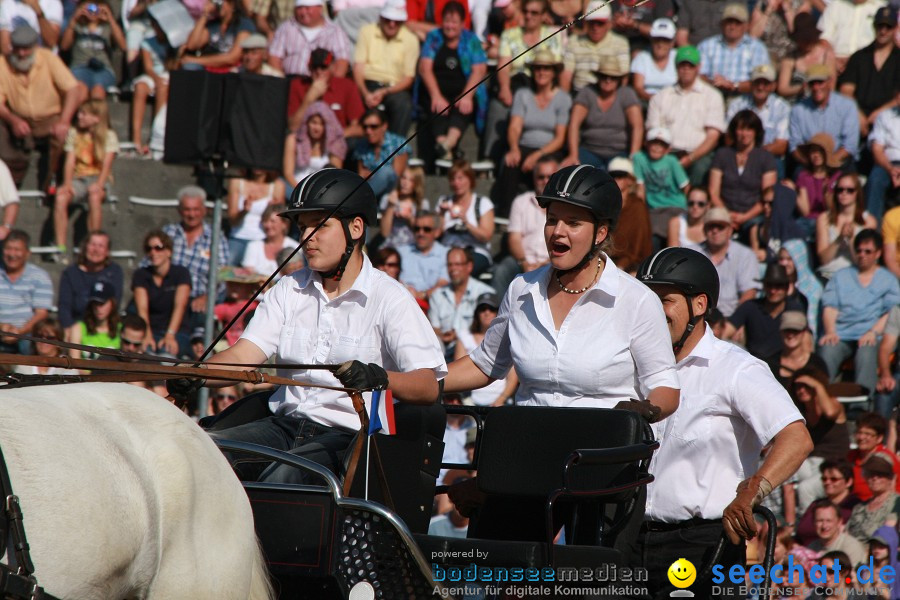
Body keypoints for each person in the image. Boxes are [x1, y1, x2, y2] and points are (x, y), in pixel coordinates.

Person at [171, 169, 447, 484]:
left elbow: (429, 386)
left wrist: (381, 378)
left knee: (283, 477)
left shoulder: (392, 299)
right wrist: (195, 374)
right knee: (203, 453)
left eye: (320, 225)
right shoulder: (288, 290)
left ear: (355, 228)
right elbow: (242, 356)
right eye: (303, 227)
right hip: (282, 425)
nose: (306, 237)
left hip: (348, 438)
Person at [635, 246, 812, 599]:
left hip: (702, 545)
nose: (652, 313)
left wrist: (754, 489)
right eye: (646, 301)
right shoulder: (631, 365)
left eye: (664, 301)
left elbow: (796, 437)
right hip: (629, 539)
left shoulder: (736, 368)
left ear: (699, 305)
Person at [445, 165, 680, 416]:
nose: (557, 232)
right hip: (530, 445)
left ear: (601, 233)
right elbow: (484, 365)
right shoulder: (521, 289)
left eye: (573, 223)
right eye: (552, 220)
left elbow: (664, 385)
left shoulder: (637, 299)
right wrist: (420, 382)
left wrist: (640, 413)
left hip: (601, 448)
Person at [818, 229, 900, 394]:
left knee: (867, 350)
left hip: (870, 334)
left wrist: (873, 332)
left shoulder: (888, 280)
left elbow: (890, 313)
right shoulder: (841, 276)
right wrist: (830, 331)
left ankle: (862, 403)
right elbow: (830, 307)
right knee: (827, 349)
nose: (862, 255)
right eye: (859, 251)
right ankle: (822, 397)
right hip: (841, 333)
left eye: (868, 251)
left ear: (878, 253)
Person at [0, 25, 80, 192]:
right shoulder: (2, 63)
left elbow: (73, 89)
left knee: (65, 138)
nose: (21, 54)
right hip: (20, 120)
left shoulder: (49, 58)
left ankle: (52, 184)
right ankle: (10, 185)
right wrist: (13, 120)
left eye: (26, 49)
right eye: (18, 49)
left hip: (52, 118)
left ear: (35, 46)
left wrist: (64, 121)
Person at [492, 48, 569, 217]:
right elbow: (514, 127)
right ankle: (506, 214)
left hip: (549, 149)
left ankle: (554, 212)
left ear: (554, 72)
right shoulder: (523, 94)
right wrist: (514, 148)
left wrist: (537, 155)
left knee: (552, 167)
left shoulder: (563, 98)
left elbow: (560, 138)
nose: (541, 72)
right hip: (524, 145)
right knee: (510, 161)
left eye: (546, 68)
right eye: (538, 68)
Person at [483, 0, 562, 160]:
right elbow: (503, 66)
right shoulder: (509, 34)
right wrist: (504, 88)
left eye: (534, 13)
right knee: (498, 105)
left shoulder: (553, 34)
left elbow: (555, 66)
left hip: (541, 86)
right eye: (526, 11)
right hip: (515, 85)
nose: (528, 16)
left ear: (543, 15)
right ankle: (490, 156)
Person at [414, 1, 487, 165]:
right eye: (447, 21)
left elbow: (479, 70)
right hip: (437, 90)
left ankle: (447, 144)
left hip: (463, 90)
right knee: (434, 105)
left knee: (465, 106)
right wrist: (436, 96)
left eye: (454, 22)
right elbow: (425, 68)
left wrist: (467, 96)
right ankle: (444, 148)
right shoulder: (434, 37)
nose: (450, 26)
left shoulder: (471, 40)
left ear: (462, 23)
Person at [646, 45, 726, 187]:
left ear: (698, 67)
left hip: (698, 155)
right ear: (676, 67)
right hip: (667, 153)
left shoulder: (712, 96)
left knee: (701, 168)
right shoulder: (661, 96)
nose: (686, 69)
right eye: (682, 65)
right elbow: (653, 131)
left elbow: (713, 137)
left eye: (690, 66)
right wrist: (666, 157)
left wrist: (691, 157)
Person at [53, 98, 118, 255]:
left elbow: (106, 165)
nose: (79, 116)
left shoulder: (109, 136)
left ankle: (93, 243)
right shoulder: (74, 133)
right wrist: (67, 184)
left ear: (96, 117)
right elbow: (69, 162)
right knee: (61, 197)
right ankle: (59, 246)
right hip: (79, 179)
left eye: (84, 114)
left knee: (94, 196)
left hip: (98, 178)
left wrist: (100, 184)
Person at [160, 186, 230, 323]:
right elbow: (148, 264)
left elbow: (223, 274)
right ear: (179, 210)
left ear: (204, 210)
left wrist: (208, 297)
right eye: (187, 209)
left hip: (198, 301)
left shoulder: (215, 237)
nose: (191, 214)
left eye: (196, 209)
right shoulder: (168, 233)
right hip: (167, 297)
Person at [562, 54, 642, 171]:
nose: (608, 80)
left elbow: (637, 126)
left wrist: (633, 155)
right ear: (598, 77)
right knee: (573, 171)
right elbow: (574, 124)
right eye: (604, 76)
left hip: (619, 151)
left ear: (619, 79)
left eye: (613, 77)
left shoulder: (627, 94)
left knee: (622, 175)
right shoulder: (587, 92)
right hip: (589, 150)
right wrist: (573, 155)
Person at [351, 0, 419, 136]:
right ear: (381, 18)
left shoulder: (411, 39)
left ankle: (395, 149)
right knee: (352, 99)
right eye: (388, 20)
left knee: (403, 104)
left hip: (394, 88)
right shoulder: (367, 32)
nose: (392, 24)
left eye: (396, 20)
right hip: (367, 85)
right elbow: (358, 69)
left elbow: (408, 78)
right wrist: (365, 93)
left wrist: (385, 92)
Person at [790, 367, 851, 514]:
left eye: (807, 386)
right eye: (798, 387)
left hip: (833, 464)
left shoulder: (834, 404)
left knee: (806, 488)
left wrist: (817, 385)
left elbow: (830, 412)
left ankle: (807, 525)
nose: (802, 390)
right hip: (809, 462)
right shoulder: (801, 413)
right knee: (787, 474)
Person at [838, 7, 900, 139]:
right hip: (857, 118)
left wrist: (879, 114)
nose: (883, 31)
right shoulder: (859, 57)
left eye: (888, 27)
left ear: (895, 29)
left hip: (891, 120)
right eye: (879, 26)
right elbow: (846, 90)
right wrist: (858, 115)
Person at [722, 263, 804, 359]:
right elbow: (725, 332)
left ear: (786, 288)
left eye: (778, 286)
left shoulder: (794, 308)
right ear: (764, 286)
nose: (773, 291)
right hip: (753, 362)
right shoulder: (750, 306)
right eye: (769, 285)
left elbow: (805, 339)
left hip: (783, 363)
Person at [132, 229, 191, 358]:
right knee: (144, 356)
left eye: (158, 248)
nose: (153, 252)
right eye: (149, 249)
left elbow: (180, 306)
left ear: (168, 251)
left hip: (177, 331)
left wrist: (170, 335)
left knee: (167, 355)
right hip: (151, 330)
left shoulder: (181, 273)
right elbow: (142, 309)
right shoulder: (141, 275)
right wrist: (147, 334)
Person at [429, 246, 495, 360]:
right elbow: (433, 327)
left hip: (473, 352)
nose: (453, 269)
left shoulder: (485, 293)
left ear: (469, 267)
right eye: (450, 265)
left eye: (457, 264)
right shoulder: (437, 295)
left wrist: (459, 335)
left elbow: (489, 326)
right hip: (442, 352)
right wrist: (443, 335)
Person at [789, 64, 860, 169]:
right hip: (810, 163)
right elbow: (795, 146)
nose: (816, 87)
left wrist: (828, 164)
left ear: (829, 82)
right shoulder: (798, 110)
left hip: (839, 161)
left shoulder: (847, 106)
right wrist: (812, 165)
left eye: (820, 82)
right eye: (812, 83)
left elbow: (850, 145)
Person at [693, 207, 760, 317]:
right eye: (711, 226)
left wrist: (734, 323)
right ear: (704, 230)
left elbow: (749, 293)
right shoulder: (692, 253)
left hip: (731, 318)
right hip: (698, 317)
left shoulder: (745, 255)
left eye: (720, 227)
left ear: (730, 230)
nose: (715, 230)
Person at [453, 293, 518, 406]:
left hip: (500, 403)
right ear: (476, 314)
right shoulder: (464, 337)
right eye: (482, 309)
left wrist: (500, 400)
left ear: (498, 312)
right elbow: (459, 373)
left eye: (491, 309)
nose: (487, 312)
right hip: (469, 403)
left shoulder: (508, 338)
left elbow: (512, 377)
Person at [697, 2, 770, 99]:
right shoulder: (706, 46)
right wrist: (713, 83)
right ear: (722, 24)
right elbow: (698, 75)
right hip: (710, 95)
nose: (732, 27)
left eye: (737, 23)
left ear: (746, 25)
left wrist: (734, 85)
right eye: (729, 22)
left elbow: (762, 81)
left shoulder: (757, 48)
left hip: (744, 98)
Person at [56, 230, 123, 334]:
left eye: (101, 246)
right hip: (76, 327)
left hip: (104, 327)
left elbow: (115, 303)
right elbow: (64, 306)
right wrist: (68, 329)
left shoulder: (115, 272)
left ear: (107, 251)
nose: (96, 250)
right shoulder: (70, 273)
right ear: (85, 247)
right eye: (92, 244)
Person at [435, 160, 495, 275]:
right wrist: (442, 215)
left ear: (470, 179)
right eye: (453, 179)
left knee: (460, 268)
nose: (456, 183)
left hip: (474, 251)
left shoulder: (482, 203)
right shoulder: (444, 201)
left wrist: (466, 222)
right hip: (447, 250)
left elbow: (486, 236)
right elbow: (436, 234)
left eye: (460, 178)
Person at [286, 49, 364, 136]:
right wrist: (308, 100)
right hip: (305, 141)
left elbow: (359, 127)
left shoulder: (347, 86)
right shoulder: (297, 85)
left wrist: (335, 137)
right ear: (309, 68)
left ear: (333, 67)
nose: (319, 72)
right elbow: (293, 127)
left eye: (324, 67)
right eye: (315, 67)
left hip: (338, 141)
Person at [0, 229, 53, 354]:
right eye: (8, 248)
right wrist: (2, 327)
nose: (12, 254)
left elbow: (41, 313)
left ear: (27, 253)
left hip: (27, 334)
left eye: (17, 250)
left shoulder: (40, 276)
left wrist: (19, 332)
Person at [816, 172, 877, 280]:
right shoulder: (824, 219)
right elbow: (823, 259)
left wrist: (851, 239)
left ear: (857, 193)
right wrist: (839, 239)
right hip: (828, 275)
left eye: (850, 190)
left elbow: (864, 262)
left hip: (856, 276)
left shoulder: (869, 222)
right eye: (840, 190)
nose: (844, 193)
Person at [60, 0, 125, 100]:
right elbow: (64, 46)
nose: (93, 11)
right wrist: (74, 19)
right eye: (89, 8)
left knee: (98, 90)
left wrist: (110, 19)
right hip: (80, 67)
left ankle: (95, 113)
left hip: (103, 69)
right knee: (81, 89)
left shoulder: (108, 28)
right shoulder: (77, 27)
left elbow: (123, 46)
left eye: (96, 8)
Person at [560, 0, 629, 93]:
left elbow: (623, 77)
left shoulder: (621, 43)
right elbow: (566, 75)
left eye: (600, 23)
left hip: (610, 95)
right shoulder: (574, 41)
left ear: (609, 23)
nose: (595, 27)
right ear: (586, 23)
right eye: (592, 23)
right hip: (580, 94)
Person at [268, 0, 352, 77]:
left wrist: (332, 85)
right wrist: (281, 80)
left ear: (320, 8)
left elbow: (342, 61)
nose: (303, 12)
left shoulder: (335, 31)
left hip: (322, 83)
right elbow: (274, 57)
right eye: (300, 8)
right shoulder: (286, 28)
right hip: (289, 81)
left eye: (307, 8)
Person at [726, 64, 791, 163]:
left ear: (773, 86)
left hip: (768, 158)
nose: (761, 87)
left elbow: (781, 146)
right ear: (751, 84)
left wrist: (753, 155)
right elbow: (728, 137)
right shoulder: (736, 104)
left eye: (765, 83)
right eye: (757, 83)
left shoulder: (783, 107)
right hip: (738, 155)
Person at [226, 168, 286, 266]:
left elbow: (281, 221)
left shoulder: (277, 185)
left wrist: (270, 210)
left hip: (263, 240)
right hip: (238, 237)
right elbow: (232, 221)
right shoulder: (237, 181)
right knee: (224, 271)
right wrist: (244, 211)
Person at [794, 462, 860, 546]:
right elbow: (798, 535)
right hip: (801, 553)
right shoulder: (816, 504)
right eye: (824, 479)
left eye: (834, 479)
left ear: (849, 482)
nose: (827, 482)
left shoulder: (855, 507)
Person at [283, 101, 346, 187]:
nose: (317, 128)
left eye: (321, 124)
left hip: (321, 189)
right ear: (307, 122)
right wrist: (301, 192)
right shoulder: (293, 140)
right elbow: (288, 173)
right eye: (314, 122)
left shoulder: (334, 143)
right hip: (295, 186)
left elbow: (335, 175)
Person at [776, 12, 837, 100]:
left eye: (808, 39)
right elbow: (782, 88)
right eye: (802, 40)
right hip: (794, 103)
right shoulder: (790, 58)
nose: (805, 43)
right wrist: (799, 89)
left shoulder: (827, 55)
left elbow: (831, 85)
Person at [606, 156, 652, 273]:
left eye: (620, 176)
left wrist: (622, 265)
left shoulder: (637, 206)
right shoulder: (603, 203)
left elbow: (639, 244)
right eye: (613, 175)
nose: (616, 179)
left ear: (630, 180)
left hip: (630, 266)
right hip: (604, 259)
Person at [179, 0, 253, 71]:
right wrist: (205, 14)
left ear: (232, 5)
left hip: (232, 70)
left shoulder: (243, 24)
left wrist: (195, 60)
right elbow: (192, 45)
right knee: (190, 67)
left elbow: (232, 58)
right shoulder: (213, 24)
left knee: (191, 64)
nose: (219, 5)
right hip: (209, 68)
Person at [353, 108, 410, 198]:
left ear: (384, 126)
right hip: (369, 188)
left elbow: (395, 176)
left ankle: (360, 198)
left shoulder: (398, 143)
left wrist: (373, 175)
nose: (368, 131)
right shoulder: (361, 145)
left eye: (373, 126)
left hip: (390, 192)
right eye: (365, 127)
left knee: (386, 172)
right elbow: (361, 174)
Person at [818, 0, 888, 72]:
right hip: (836, 62)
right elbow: (823, 38)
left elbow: (886, 42)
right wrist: (833, 60)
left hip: (868, 65)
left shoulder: (881, 8)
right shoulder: (836, 5)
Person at [865, 78, 900, 222]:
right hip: (887, 163)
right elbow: (877, 149)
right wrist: (891, 168)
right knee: (876, 179)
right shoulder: (885, 116)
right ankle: (873, 231)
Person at [395, 210, 449, 304]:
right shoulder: (400, 252)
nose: (421, 233)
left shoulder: (446, 254)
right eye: (417, 229)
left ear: (437, 232)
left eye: (426, 229)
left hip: (433, 304)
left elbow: (443, 284)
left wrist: (422, 295)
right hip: (403, 302)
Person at [846, 453, 900, 542]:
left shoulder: (897, 504)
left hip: (876, 554)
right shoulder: (859, 508)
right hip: (853, 552)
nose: (875, 478)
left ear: (891, 477)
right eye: (871, 473)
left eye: (880, 474)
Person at [767, 311, 828, 389]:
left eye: (795, 330)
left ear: (804, 332)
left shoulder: (817, 364)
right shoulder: (771, 364)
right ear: (780, 332)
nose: (791, 335)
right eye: (787, 330)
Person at [796, 133, 843, 233]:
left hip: (828, 220)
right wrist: (794, 192)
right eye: (813, 151)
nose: (816, 155)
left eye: (820, 151)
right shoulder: (804, 176)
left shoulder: (836, 177)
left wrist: (827, 194)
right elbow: (805, 211)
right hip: (808, 221)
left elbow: (833, 210)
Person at [778, 240, 822, 337]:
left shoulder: (812, 287)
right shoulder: (772, 283)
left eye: (789, 259)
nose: (784, 263)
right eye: (781, 259)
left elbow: (813, 320)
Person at [379, 165, 428, 251]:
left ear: (417, 183)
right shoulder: (387, 198)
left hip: (413, 248)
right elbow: (384, 233)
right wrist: (391, 206)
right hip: (391, 247)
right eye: (403, 178)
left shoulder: (422, 203)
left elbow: (423, 233)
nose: (405, 183)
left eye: (411, 180)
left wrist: (409, 218)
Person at [241, 203, 298, 276]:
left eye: (272, 221)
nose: (268, 225)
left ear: (284, 224)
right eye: (265, 221)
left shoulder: (295, 247)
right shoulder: (253, 246)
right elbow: (248, 274)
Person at [807, 501, 867, 568]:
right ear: (813, 523)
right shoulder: (811, 548)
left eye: (829, 521)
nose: (824, 526)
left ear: (839, 522)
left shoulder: (851, 547)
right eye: (820, 521)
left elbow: (852, 577)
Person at [68, 279, 120, 357]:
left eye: (102, 303)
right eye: (95, 303)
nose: (98, 308)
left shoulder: (121, 329)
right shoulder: (79, 328)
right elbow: (74, 363)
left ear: (112, 303)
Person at [630, 17, 677, 102]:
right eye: (657, 39)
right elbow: (638, 87)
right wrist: (654, 99)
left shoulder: (677, 57)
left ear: (673, 42)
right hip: (647, 103)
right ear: (651, 39)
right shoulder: (641, 57)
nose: (660, 44)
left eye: (665, 40)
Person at [12, 317, 78, 376]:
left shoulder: (67, 367)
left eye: (50, 337)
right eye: (39, 337)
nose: (44, 340)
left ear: (59, 342)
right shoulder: (23, 366)